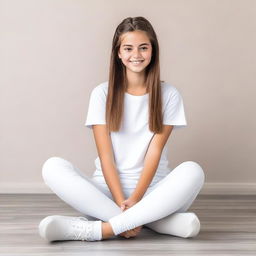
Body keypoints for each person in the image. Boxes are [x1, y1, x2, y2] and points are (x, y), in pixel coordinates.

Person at [38, 16, 205, 242]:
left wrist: (136, 199)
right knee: (52, 167)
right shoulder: (102, 94)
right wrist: (120, 202)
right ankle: (149, 221)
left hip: (154, 193)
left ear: (153, 51)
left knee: (193, 170)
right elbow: (106, 156)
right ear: (118, 53)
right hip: (105, 193)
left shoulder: (169, 94)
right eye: (128, 48)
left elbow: (153, 152)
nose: (136, 55)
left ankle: (101, 229)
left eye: (143, 48)